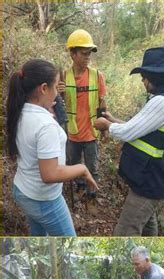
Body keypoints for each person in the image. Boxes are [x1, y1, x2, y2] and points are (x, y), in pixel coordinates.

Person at [5, 59, 98, 236]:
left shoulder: (20, 110)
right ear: (43, 88)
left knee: (40, 238)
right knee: (68, 242)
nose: (56, 93)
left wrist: (47, 112)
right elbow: (50, 174)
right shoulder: (45, 125)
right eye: (55, 88)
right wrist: (83, 169)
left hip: (23, 190)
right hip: (43, 199)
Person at [94, 46, 164, 236]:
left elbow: (127, 133)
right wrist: (114, 120)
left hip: (150, 181)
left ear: (155, 76)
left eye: (144, 76)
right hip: (155, 177)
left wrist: (106, 126)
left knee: (125, 231)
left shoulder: (162, 102)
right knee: (148, 224)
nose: (142, 81)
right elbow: (143, 128)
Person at [59, 29, 106, 199]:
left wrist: (105, 128)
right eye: (84, 54)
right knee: (73, 163)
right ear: (73, 54)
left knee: (92, 167)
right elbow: (58, 105)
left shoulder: (97, 76)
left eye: (89, 54)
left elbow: (102, 103)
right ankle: (80, 186)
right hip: (72, 131)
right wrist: (58, 93)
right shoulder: (63, 76)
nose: (88, 57)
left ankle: (92, 196)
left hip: (91, 132)